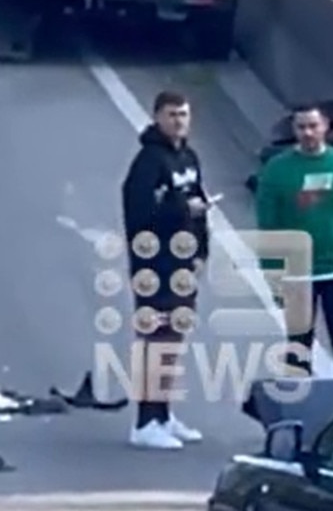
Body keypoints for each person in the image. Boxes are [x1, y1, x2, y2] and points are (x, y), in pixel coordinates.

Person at [120, 90, 211, 450]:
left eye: (184, 114)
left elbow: (199, 204)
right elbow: (140, 215)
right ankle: (144, 421)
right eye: (172, 114)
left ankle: (163, 413)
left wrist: (202, 248)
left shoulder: (189, 157)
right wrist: (182, 211)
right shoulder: (147, 162)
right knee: (155, 342)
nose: (179, 121)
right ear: (157, 117)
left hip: (184, 264)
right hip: (155, 266)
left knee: (173, 342)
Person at [255, 103, 333, 376]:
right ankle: (299, 399)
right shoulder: (277, 170)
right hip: (297, 272)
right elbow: (268, 226)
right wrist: (273, 273)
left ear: (325, 127)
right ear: (294, 130)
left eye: (313, 126)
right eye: (302, 127)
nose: (308, 133)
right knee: (298, 344)